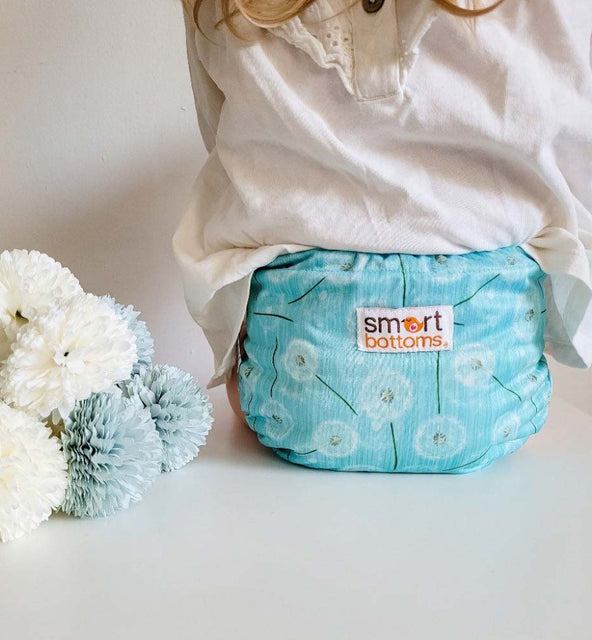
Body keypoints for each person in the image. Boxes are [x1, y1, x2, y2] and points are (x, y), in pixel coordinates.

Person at [172, 0, 592, 472]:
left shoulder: (231, 7)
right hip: (499, 382)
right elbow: (575, 156)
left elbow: (222, 143)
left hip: (290, 382)